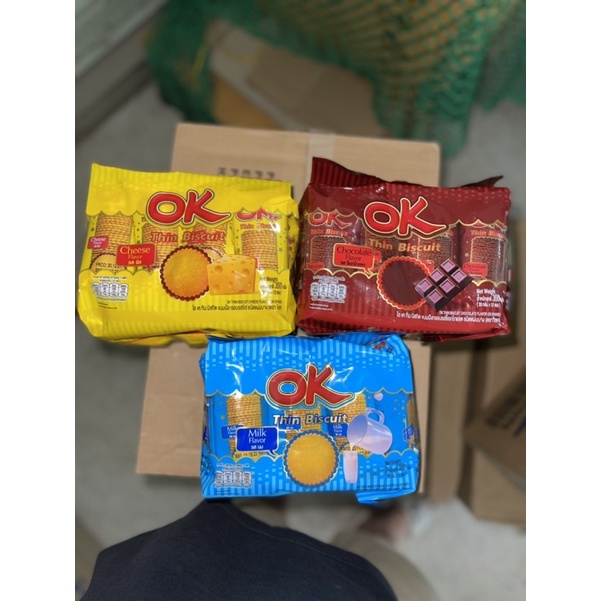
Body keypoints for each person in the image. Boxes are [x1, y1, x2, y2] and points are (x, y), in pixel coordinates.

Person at [83, 498, 440, 601]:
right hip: (362, 589)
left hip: (207, 562)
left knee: (249, 516)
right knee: (377, 564)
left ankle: (268, 492)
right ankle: (377, 533)